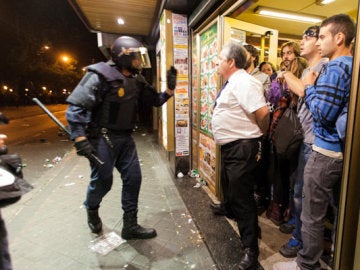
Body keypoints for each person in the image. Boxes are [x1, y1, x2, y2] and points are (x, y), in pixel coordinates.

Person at [65, 36, 177, 239]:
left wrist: (169, 90)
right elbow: (76, 107)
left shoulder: (137, 80)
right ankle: (92, 209)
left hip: (125, 139)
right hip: (102, 138)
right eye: (136, 58)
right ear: (123, 55)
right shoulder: (99, 74)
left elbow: (155, 100)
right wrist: (79, 137)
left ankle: (130, 226)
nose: (140, 62)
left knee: (134, 179)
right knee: (103, 182)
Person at [273, 13, 355, 270]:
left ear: (339, 37)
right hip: (330, 150)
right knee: (319, 208)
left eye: (322, 37)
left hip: (324, 150)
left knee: (311, 212)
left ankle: (307, 264)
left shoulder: (336, 68)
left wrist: (308, 88)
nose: (318, 43)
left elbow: (322, 113)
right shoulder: (345, 66)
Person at [211, 42, 270, 270]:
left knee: (243, 198)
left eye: (219, 58)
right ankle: (228, 208)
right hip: (232, 146)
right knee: (231, 187)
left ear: (231, 62)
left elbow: (263, 113)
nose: (216, 62)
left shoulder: (244, 81)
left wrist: (260, 135)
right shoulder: (232, 82)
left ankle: (251, 251)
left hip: (243, 147)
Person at [275, 26, 328, 258]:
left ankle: (300, 240)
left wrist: (286, 75)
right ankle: (298, 228)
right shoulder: (311, 69)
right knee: (298, 190)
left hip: (314, 143)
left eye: (307, 37)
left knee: (303, 195)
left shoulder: (323, 67)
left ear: (319, 43)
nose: (302, 41)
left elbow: (303, 91)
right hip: (306, 139)